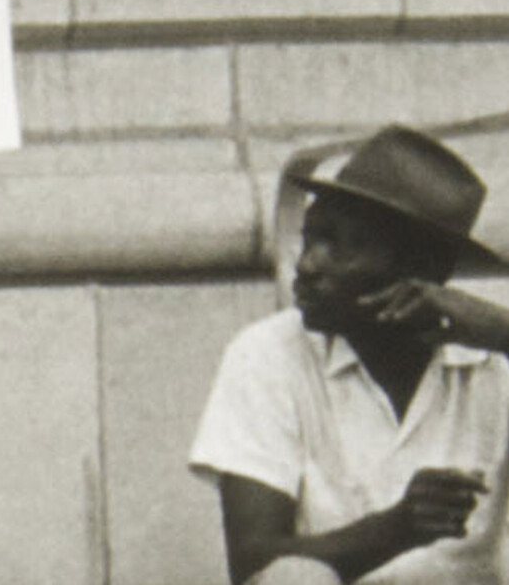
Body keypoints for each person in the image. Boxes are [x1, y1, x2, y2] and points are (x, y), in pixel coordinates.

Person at [190, 126, 509, 585]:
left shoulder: (491, 361)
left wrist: (503, 332)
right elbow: (253, 562)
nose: (307, 264)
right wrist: (397, 528)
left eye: (340, 244)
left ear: (422, 269)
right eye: (311, 236)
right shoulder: (265, 355)